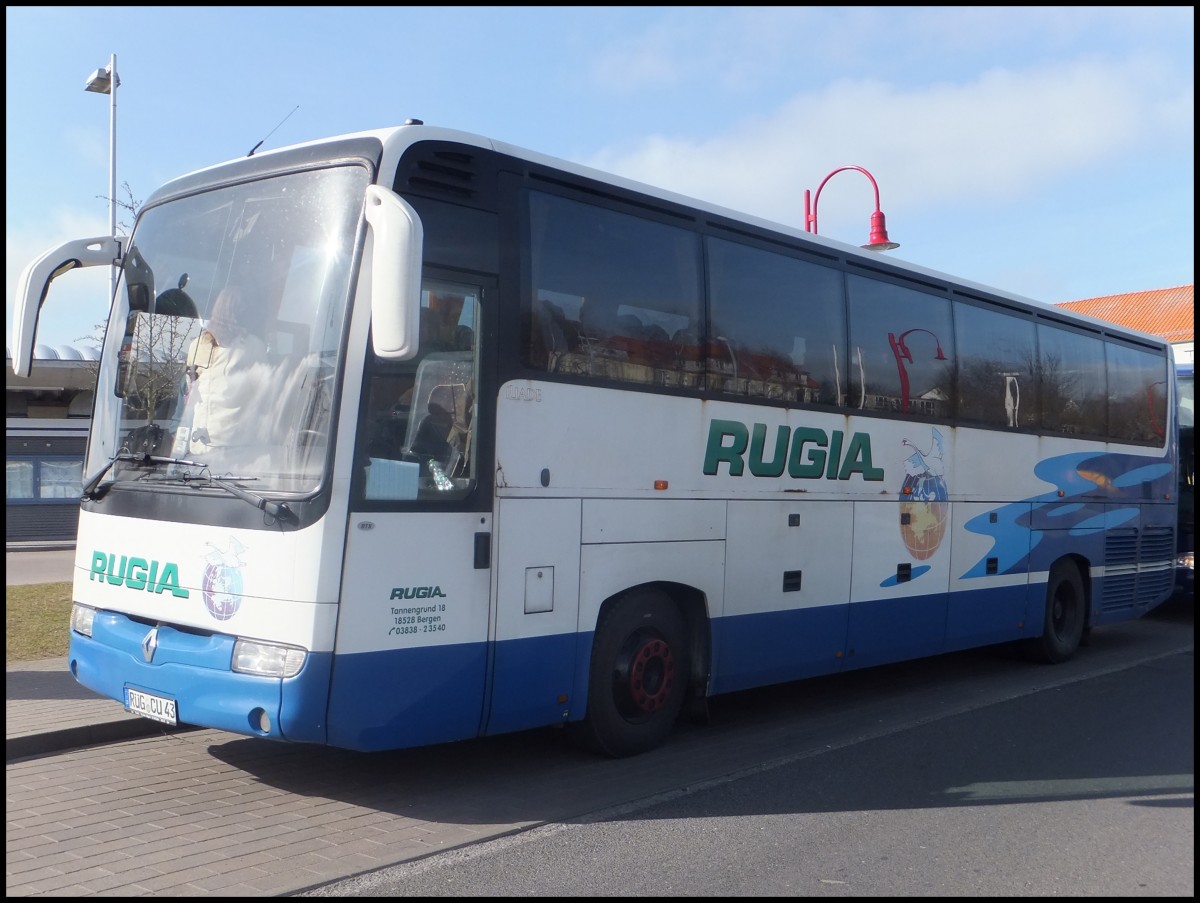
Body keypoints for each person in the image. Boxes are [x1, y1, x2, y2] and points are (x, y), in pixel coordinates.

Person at [176, 286, 270, 460]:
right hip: (235, 449)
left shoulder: (197, 344)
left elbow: (190, 390)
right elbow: (265, 396)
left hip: (199, 448)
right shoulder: (253, 347)